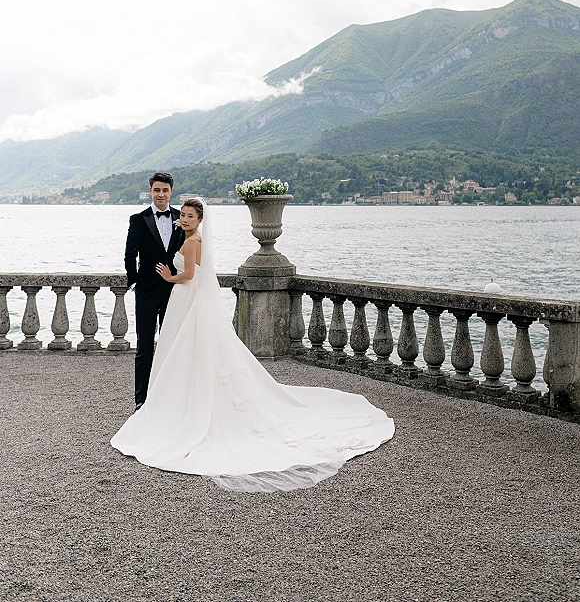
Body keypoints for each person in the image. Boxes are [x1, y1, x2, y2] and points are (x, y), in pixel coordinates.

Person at [112, 197, 395, 492]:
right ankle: (178, 399)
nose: (183, 219)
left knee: (190, 349)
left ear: (199, 220)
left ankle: (189, 404)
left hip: (188, 296)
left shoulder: (194, 240)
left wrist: (171, 276)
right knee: (183, 351)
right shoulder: (187, 235)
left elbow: (190, 275)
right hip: (186, 300)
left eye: (189, 216)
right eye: (182, 215)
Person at [124, 172, 184, 410]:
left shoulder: (182, 218)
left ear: (171, 192)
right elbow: (130, 254)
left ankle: (170, 397)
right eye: (157, 190)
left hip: (175, 290)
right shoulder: (138, 219)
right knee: (144, 347)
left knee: (172, 344)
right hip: (146, 291)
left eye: (165, 190)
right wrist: (134, 281)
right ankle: (141, 400)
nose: (161, 194)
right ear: (150, 191)